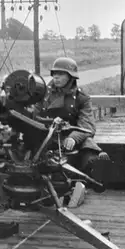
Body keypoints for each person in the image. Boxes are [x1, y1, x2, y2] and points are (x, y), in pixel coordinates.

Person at [32, 57, 110, 186]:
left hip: (69, 137)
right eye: (54, 74)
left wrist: (73, 138)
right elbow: (34, 114)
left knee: (90, 152)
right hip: (45, 135)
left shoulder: (81, 98)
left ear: (71, 77)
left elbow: (88, 126)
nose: (56, 77)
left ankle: (82, 182)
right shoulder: (43, 94)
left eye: (61, 74)